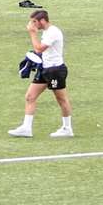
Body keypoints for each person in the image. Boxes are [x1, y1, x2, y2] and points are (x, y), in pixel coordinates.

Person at [9, 9, 73, 138]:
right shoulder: (46, 32)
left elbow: (39, 47)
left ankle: (67, 128)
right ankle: (26, 128)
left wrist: (32, 33)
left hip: (55, 71)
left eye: (34, 22)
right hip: (45, 68)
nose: (33, 25)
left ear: (42, 20)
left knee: (61, 99)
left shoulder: (53, 32)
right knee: (30, 97)